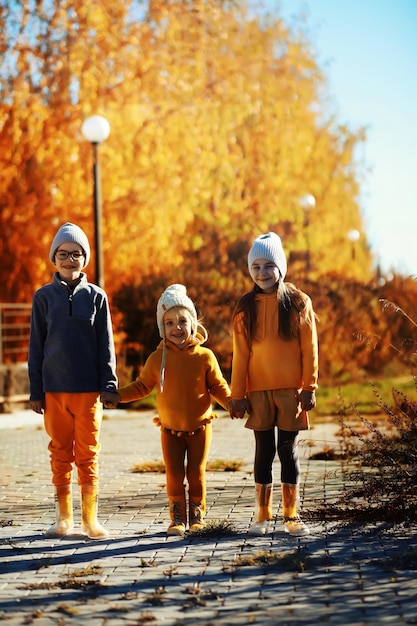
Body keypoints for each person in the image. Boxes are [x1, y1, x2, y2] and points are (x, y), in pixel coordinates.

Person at [102, 284, 233, 537]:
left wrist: (230, 403)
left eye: (183, 321)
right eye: (170, 323)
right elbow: (141, 386)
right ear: (162, 327)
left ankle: (197, 515)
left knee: (196, 473)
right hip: (170, 430)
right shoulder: (156, 358)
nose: (177, 328)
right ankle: (177, 517)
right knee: (174, 474)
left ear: (193, 323)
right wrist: (117, 396)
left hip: (200, 428)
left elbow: (218, 386)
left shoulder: (205, 357)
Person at [28, 222, 118, 540]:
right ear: (54, 258)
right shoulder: (43, 298)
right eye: (63, 254)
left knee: (88, 452)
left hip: (88, 391)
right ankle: (63, 518)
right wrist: (35, 390)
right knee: (60, 451)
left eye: (76, 254)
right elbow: (35, 347)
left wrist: (109, 384)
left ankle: (89, 520)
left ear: (85, 258)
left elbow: (106, 344)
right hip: (53, 392)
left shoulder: (97, 297)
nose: (69, 259)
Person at [230, 232, 318, 537]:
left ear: (280, 266)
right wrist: (237, 395)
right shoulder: (245, 307)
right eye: (256, 267)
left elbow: (309, 348)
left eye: (269, 265)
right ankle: (262, 516)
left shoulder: (298, 302)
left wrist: (310, 386)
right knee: (263, 451)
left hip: (291, 391)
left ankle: (291, 515)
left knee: (287, 450)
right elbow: (240, 355)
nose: (262, 272)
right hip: (257, 392)